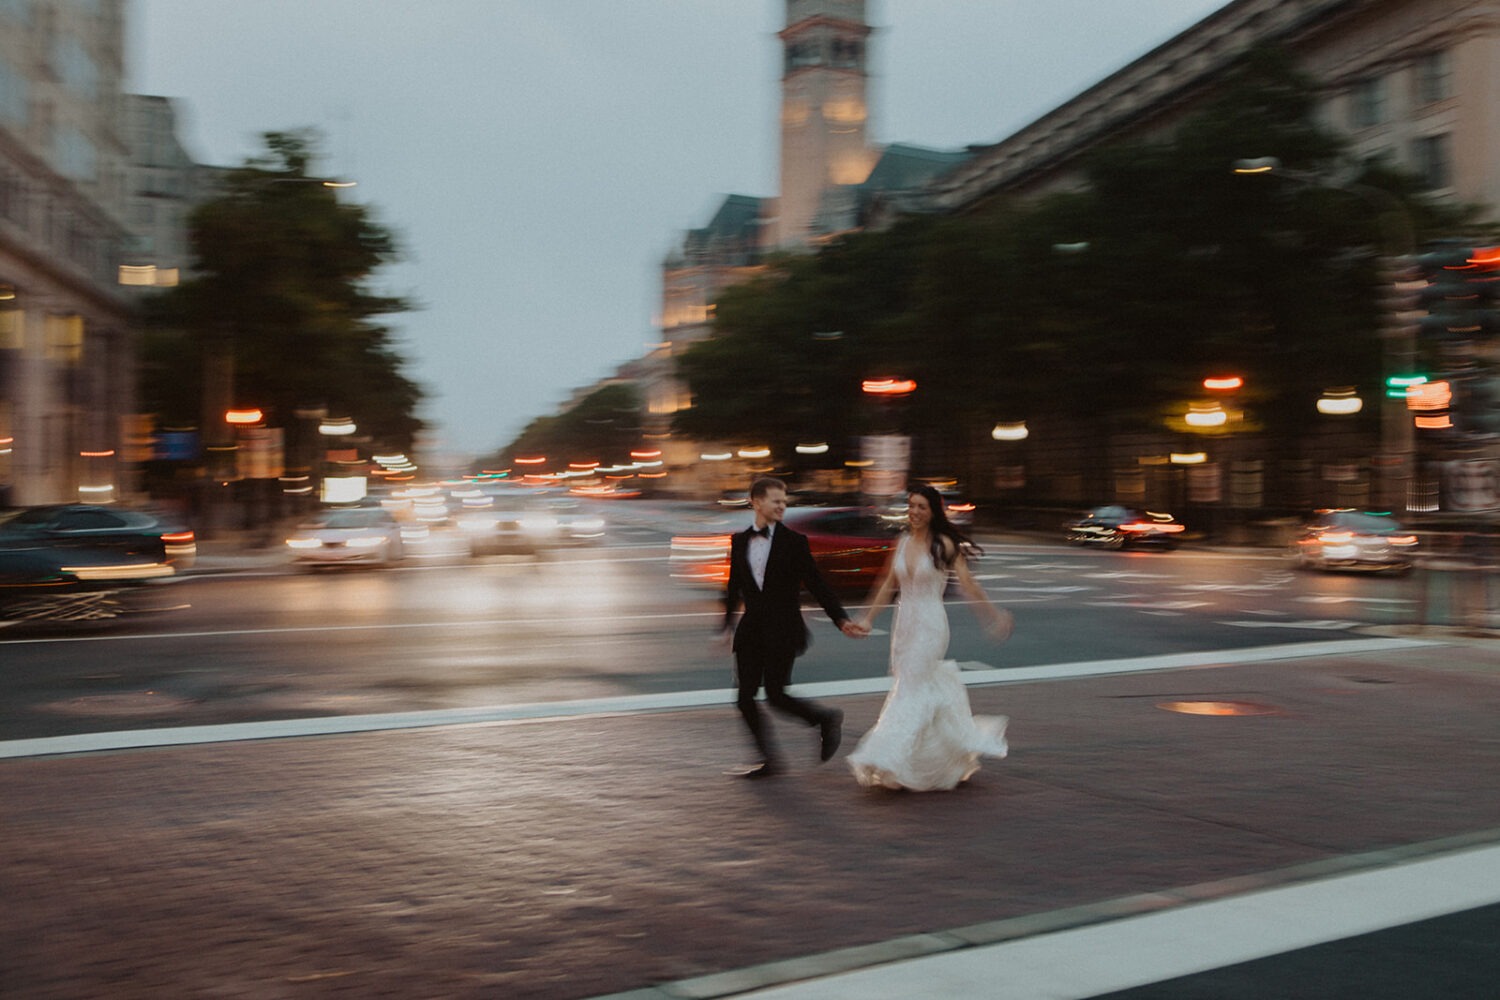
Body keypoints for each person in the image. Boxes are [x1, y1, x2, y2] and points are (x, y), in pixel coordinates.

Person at [847, 483, 1013, 791]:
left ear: (933, 510)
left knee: (910, 688)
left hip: (930, 624)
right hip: (904, 623)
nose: (915, 512)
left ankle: (888, 756)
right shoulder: (902, 541)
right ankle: (934, 757)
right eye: (911, 505)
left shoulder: (944, 544)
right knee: (911, 685)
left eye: (922, 506)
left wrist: (993, 615)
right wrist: (868, 619)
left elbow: (968, 584)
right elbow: (887, 584)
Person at [722, 476, 867, 779]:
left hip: (783, 630)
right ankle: (768, 759)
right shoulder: (738, 541)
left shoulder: (794, 542)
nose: (782, 506)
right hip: (750, 632)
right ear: (756, 502)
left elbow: (817, 584)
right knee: (744, 698)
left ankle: (825, 719)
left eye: (785, 502)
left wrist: (840, 619)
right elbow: (734, 587)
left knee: (775, 695)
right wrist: (725, 625)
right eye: (776, 501)